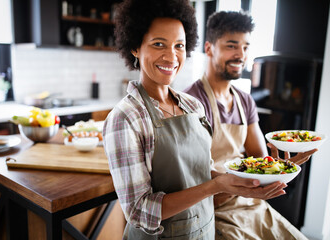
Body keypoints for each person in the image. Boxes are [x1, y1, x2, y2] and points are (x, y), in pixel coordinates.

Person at [103, 2, 288, 239]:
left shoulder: (193, 106)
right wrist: (216, 187)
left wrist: (239, 183)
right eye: (159, 44)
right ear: (135, 48)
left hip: (204, 231)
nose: (171, 56)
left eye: (179, 45)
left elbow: (201, 171)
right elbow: (139, 212)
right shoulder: (125, 118)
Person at [184, 11, 317, 240]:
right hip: (213, 210)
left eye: (245, 47)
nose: (240, 55)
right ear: (209, 48)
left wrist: (279, 168)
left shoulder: (245, 101)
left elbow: (259, 160)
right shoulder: (192, 103)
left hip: (252, 205)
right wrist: (245, 182)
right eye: (231, 46)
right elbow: (193, 178)